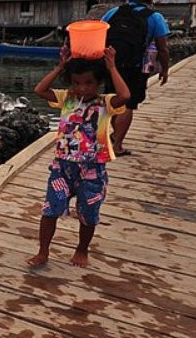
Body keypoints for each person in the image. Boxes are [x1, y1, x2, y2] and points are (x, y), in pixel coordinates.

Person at [27, 47, 130, 268]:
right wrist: (61, 66)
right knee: (50, 210)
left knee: (88, 213)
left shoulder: (106, 103)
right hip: (62, 167)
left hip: (92, 169)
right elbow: (39, 89)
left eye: (89, 83)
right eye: (76, 83)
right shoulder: (66, 99)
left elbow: (126, 96)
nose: (82, 88)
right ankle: (43, 251)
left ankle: (82, 249)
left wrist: (112, 67)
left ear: (99, 83)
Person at [101, 0, 170, 155]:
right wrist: (164, 69)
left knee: (114, 101)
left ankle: (113, 137)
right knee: (129, 104)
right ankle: (117, 145)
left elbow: (99, 33)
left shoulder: (113, 12)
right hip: (136, 67)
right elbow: (163, 48)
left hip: (112, 64)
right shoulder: (154, 17)